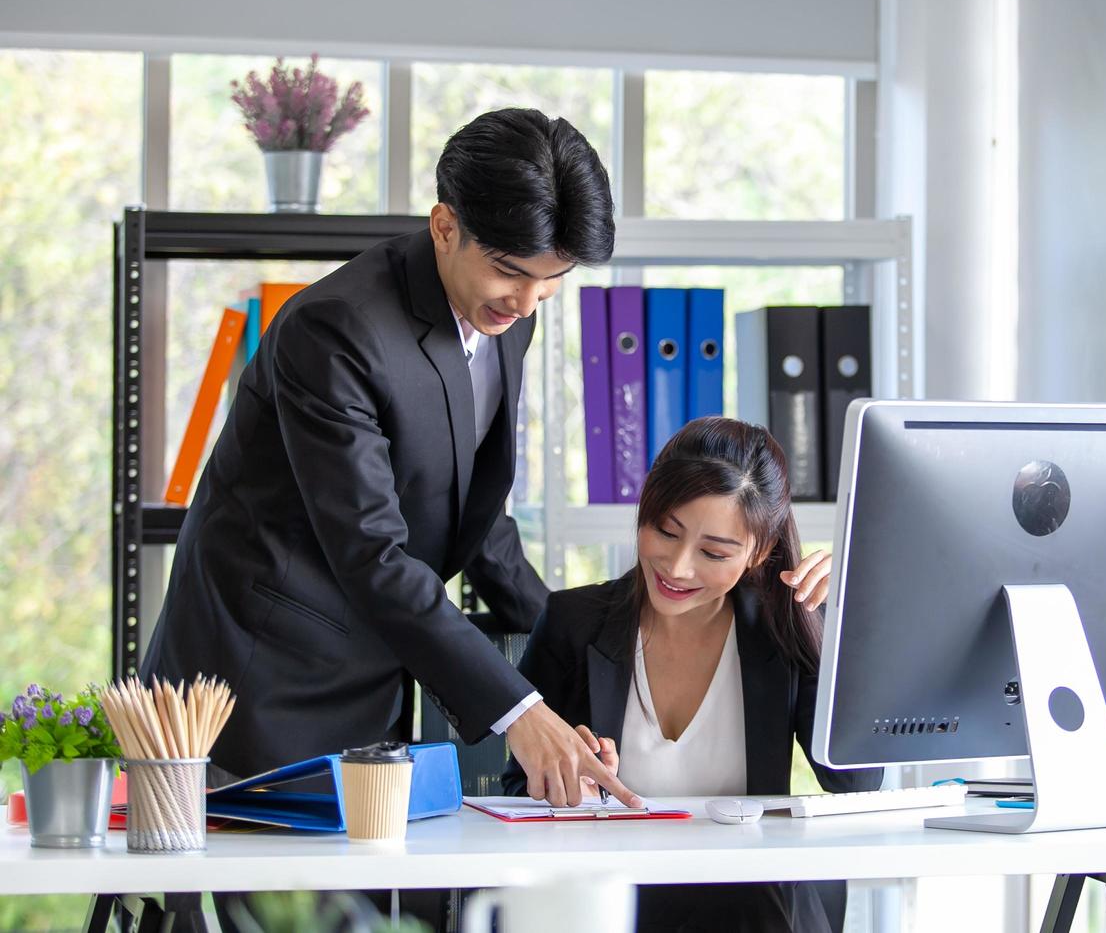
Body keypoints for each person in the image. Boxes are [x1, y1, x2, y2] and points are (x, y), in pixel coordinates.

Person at [140, 108, 636, 812]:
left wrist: (568, 662)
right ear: (444, 226)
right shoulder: (335, 330)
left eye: (552, 280)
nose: (526, 303)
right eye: (510, 272)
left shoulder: (503, 317)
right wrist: (519, 713)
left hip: (373, 660)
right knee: (299, 918)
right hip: (260, 679)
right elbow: (371, 551)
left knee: (387, 914)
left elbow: (476, 513)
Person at [503, 417, 884, 933]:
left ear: (760, 553)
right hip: (609, 899)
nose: (677, 567)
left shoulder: (785, 631)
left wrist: (850, 625)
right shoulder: (573, 623)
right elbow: (513, 786)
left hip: (747, 905)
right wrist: (571, 783)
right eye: (666, 530)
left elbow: (856, 782)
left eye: (713, 553)